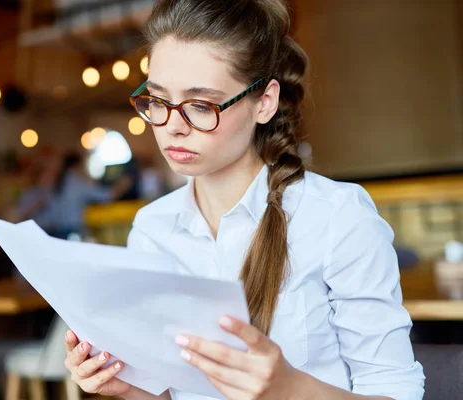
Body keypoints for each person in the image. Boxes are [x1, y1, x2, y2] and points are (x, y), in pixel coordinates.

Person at [63, 1, 425, 399]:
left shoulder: (336, 217)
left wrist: (290, 389)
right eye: (158, 101)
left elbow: (396, 391)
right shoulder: (152, 229)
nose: (173, 127)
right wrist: (129, 388)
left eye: (201, 105)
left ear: (264, 101)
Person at [45, 152, 132, 239]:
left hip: (55, 229)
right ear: (78, 165)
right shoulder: (77, 182)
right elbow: (108, 195)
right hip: (71, 229)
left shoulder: (60, 180)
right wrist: (123, 184)